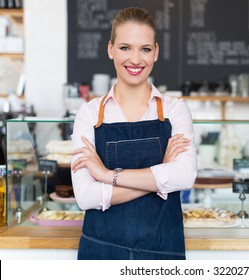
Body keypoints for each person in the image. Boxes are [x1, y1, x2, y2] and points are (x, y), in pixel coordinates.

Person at [71, 7, 197, 260]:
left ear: (156, 52)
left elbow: (184, 176)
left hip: (161, 251)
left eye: (145, 49)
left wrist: (107, 175)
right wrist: (161, 173)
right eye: (125, 47)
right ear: (110, 49)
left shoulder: (176, 110)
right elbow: (86, 196)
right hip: (101, 251)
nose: (136, 60)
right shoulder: (89, 113)